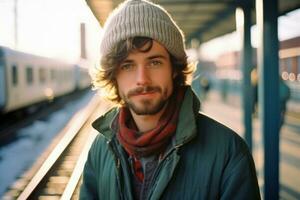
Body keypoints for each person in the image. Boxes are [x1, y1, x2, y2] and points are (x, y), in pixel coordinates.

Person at [80, 0, 261, 199]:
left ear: (174, 69)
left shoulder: (229, 153)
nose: (142, 79)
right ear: (113, 75)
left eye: (155, 62)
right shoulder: (100, 149)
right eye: (127, 65)